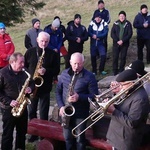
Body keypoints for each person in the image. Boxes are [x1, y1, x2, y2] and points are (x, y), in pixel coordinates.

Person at [56, 52, 98, 150]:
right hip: (66, 112)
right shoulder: (64, 74)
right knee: (67, 138)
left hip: (80, 113)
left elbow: (94, 96)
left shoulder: (89, 76)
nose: (76, 66)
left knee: (80, 140)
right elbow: (58, 92)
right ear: (70, 62)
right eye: (74, 63)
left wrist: (79, 97)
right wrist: (61, 106)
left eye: (79, 64)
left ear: (83, 63)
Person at [24, 31, 60, 142]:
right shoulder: (30, 52)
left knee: (44, 112)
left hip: (45, 87)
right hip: (32, 86)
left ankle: (43, 135)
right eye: (42, 41)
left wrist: (46, 70)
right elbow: (24, 67)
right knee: (32, 111)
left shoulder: (52, 54)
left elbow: (56, 69)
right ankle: (34, 133)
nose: (44, 43)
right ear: (37, 40)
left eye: (46, 41)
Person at [106, 69, 149, 150]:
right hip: (117, 136)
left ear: (131, 83)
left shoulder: (140, 98)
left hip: (125, 141)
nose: (121, 87)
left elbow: (132, 122)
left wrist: (113, 111)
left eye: (123, 84)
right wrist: (115, 96)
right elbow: (122, 106)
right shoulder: (129, 90)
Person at [0, 52, 35, 150]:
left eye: (23, 62)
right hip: (8, 108)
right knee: (8, 134)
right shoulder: (2, 73)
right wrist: (9, 101)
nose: (23, 65)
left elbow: (32, 82)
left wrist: (30, 89)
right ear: (13, 62)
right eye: (21, 63)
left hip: (22, 107)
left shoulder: (25, 71)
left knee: (22, 132)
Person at [111, 11, 133, 75]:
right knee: (115, 57)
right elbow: (112, 33)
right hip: (116, 43)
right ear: (118, 16)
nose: (122, 17)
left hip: (124, 44)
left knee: (123, 57)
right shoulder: (115, 23)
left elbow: (130, 34)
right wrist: (117, 40)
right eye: (120, 16)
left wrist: (122, 41)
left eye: (123, 16)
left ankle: (121, 70)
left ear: (125, 17)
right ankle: (115, 71)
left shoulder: (128, 24)